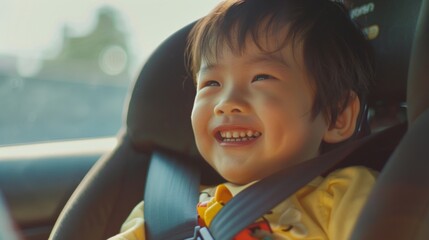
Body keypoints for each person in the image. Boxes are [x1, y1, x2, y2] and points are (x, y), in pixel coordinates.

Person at [110, 0, 376, 239]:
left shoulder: (344, 196)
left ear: (337, 116)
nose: (226, 104)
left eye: (261, 78)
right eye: (211, 83)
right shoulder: (162, 212)